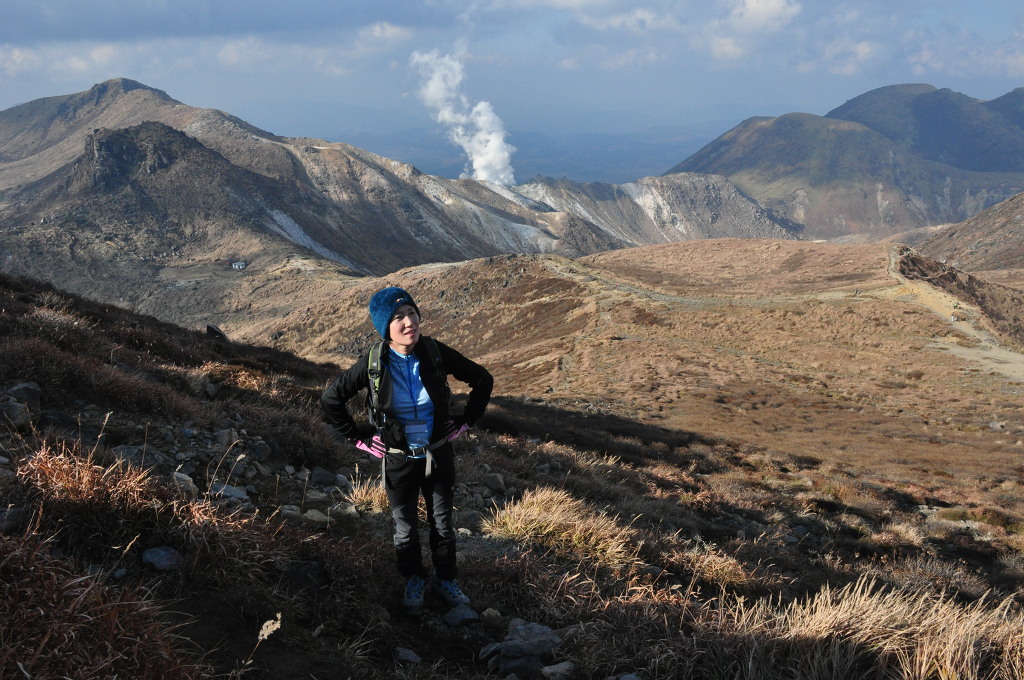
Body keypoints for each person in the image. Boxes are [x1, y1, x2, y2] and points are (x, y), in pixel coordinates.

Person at [321, 286, 493, 614]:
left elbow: (482, 380)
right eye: (398, 317)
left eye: (412, 313)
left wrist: (465, 421)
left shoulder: (434, 352)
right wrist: (357, 438)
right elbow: (331, 399)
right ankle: (414, 577)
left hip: (436, 455)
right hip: (399, 460)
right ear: (385, 327)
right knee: (405, 526)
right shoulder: (374, 362)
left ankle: (446, 579)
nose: (409, 322)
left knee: (442, 523)